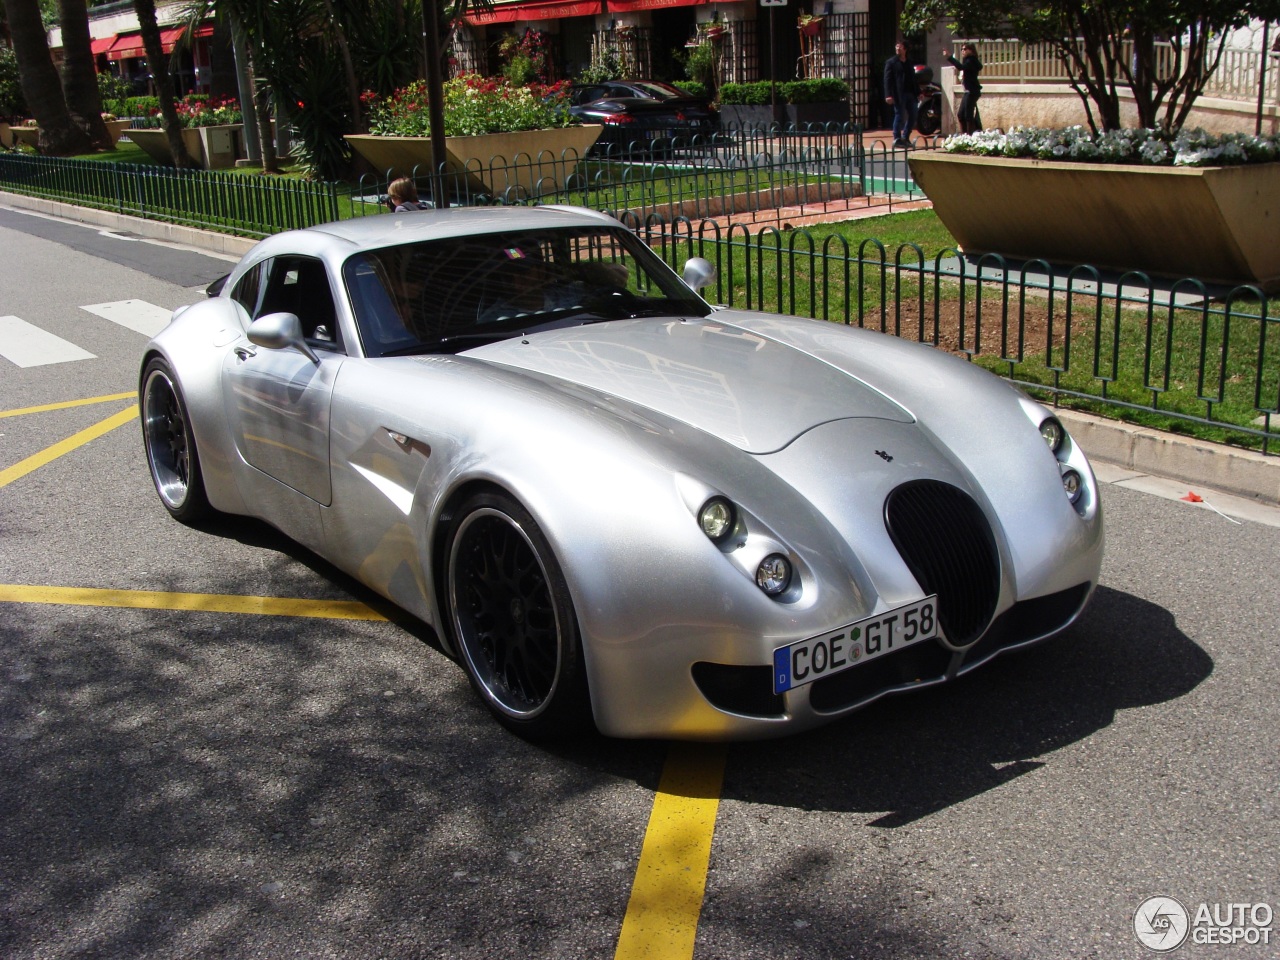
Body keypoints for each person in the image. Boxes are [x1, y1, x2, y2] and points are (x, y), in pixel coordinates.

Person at [883, 41, 920, 149]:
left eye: (900, 47)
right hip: (899, 94)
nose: (898, 49)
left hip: (910, 93)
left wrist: (918, 92)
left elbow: (913, 78)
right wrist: (888, 95)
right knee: (899, 115)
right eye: (897, 47)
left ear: (905, 49)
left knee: (913, 115)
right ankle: (897, 138)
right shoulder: (891, 62)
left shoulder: (909, 62)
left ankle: (905, 137)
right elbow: (887, 80)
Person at [943, 43, 983, 134]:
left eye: (965, 49)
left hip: (972, 91)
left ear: (971, 50)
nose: (962, 51)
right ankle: (964, 135)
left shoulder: (971, 61)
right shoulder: (968, 60)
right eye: (962, 49)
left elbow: (961, 67)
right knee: (961, 114)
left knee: (968, 115)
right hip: (968, 91)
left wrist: (949, 57)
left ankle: (969, 136)